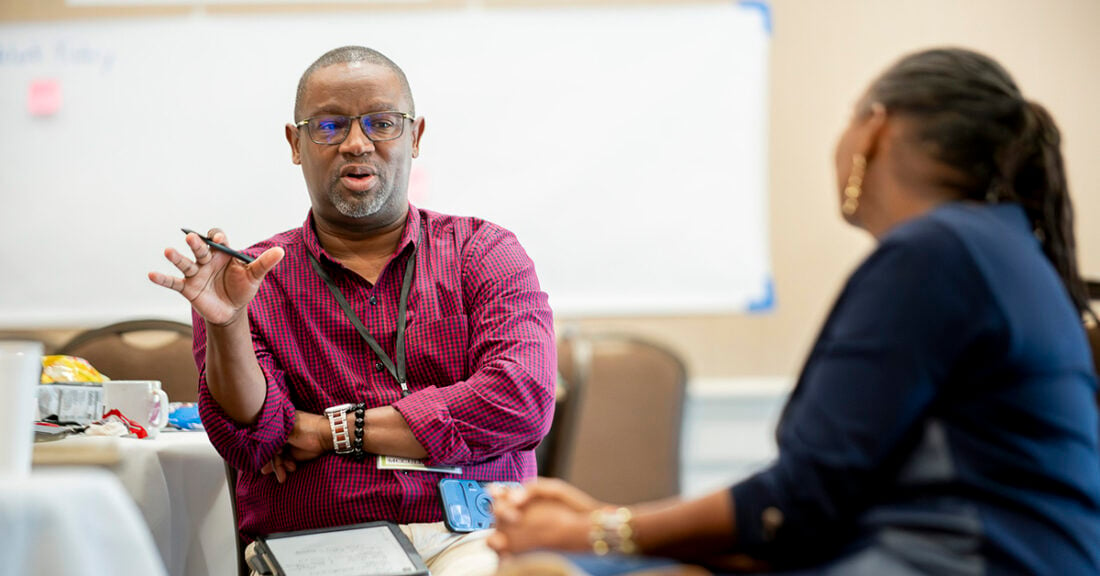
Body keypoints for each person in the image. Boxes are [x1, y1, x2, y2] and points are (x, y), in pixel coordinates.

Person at [487, 47, 1100, 575]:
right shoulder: (1002, 249)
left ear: (874, 131)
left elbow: (798, 504)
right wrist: (605, 522)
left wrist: (599, 530)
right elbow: (818, 505)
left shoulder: (937, 252)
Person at [148, 46, 556, 576]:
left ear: (416, 135)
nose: (356, 144)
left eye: (382, 123)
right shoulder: (250, 279)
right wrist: (227, 325)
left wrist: (330, 431)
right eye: (329, 126)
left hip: (476, 536)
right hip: (323, 542)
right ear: (296, 144)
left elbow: (520, 399)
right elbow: (258, 437)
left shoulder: (483, 252)